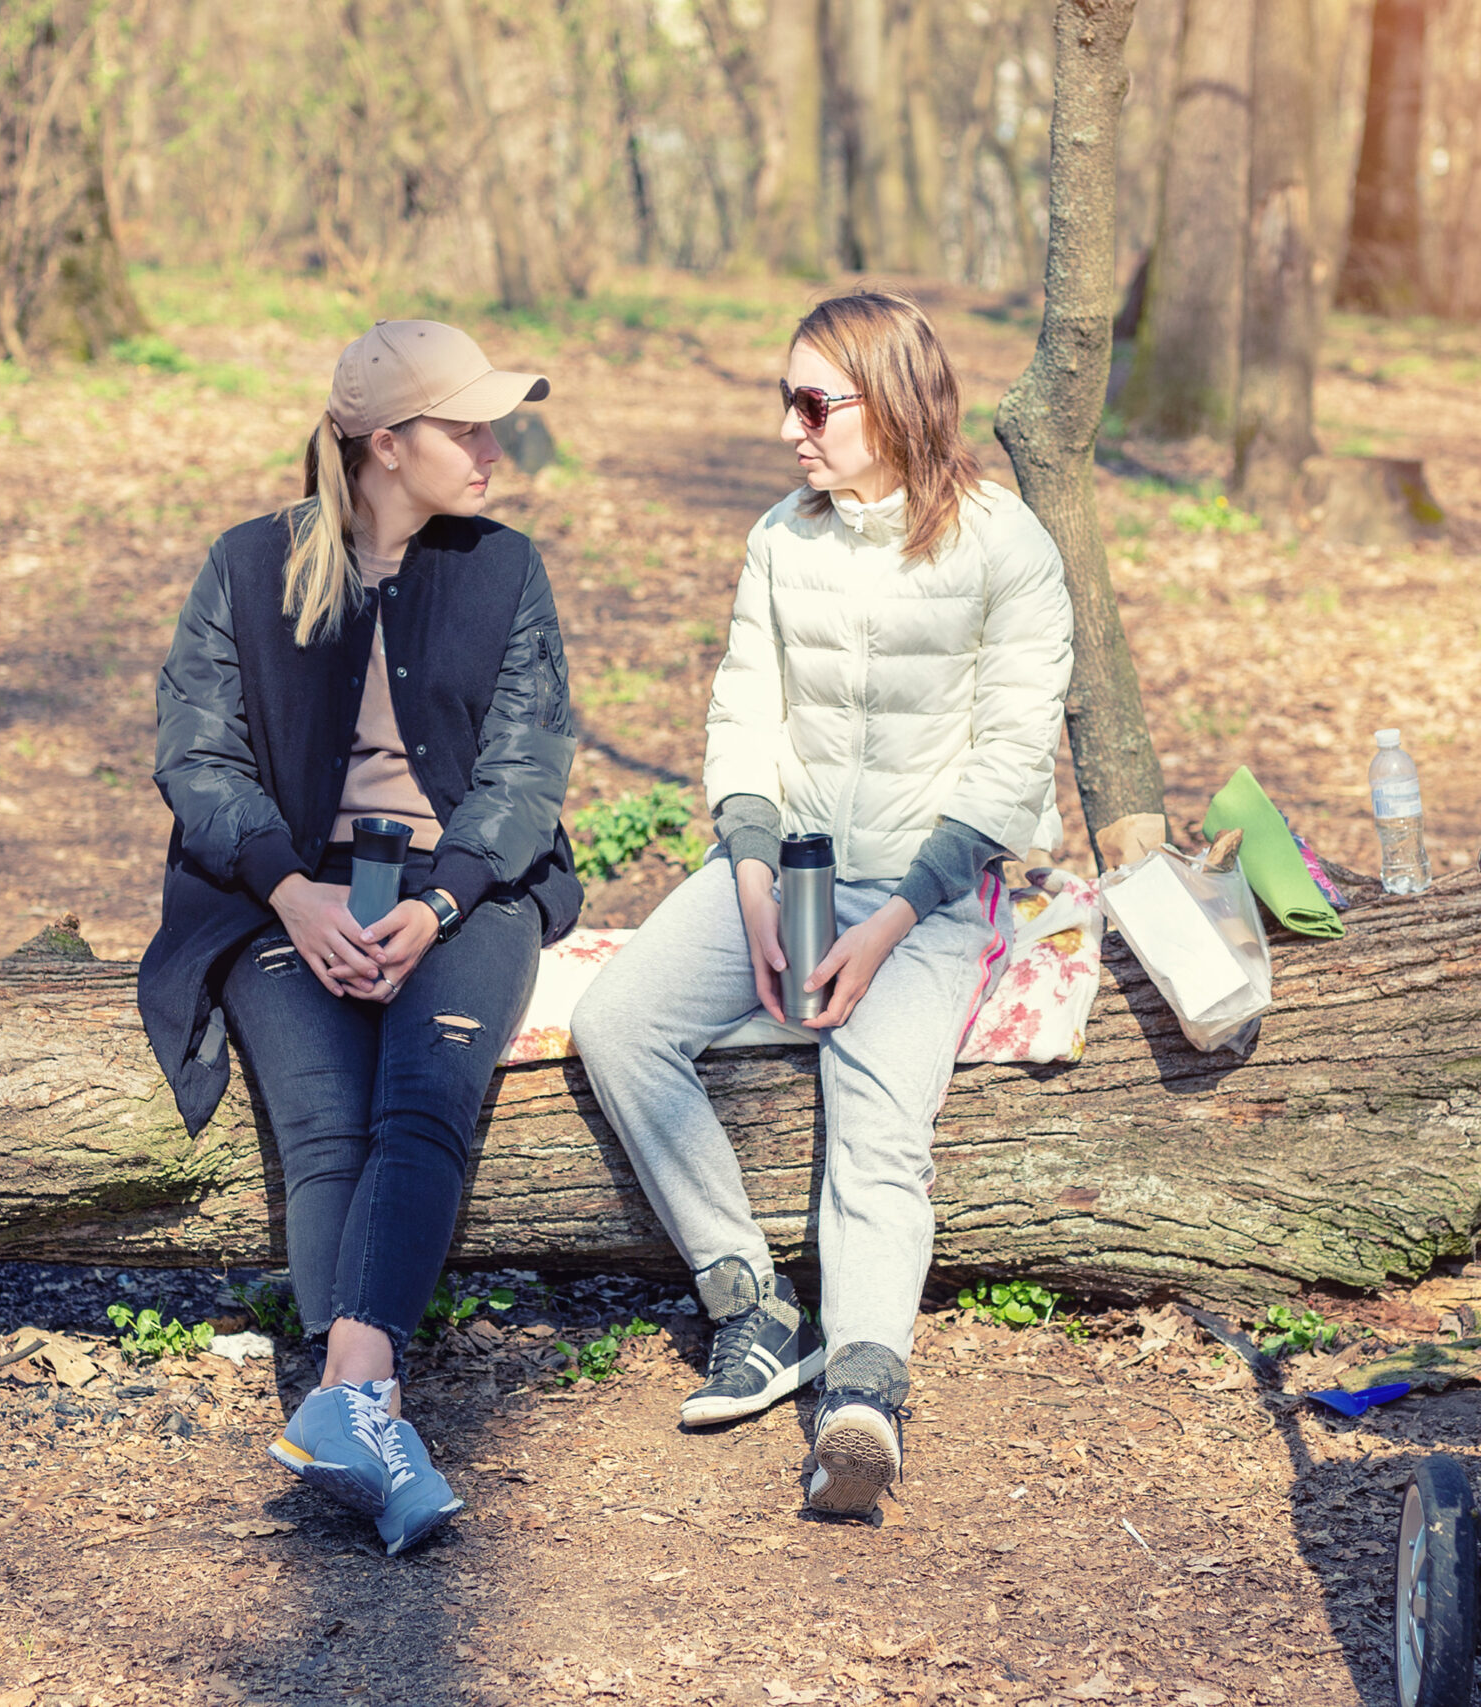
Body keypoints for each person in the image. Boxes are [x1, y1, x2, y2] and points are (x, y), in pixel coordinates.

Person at [570, 291, 1072, 1516]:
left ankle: (863, 1391)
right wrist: (747, 885)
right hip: (782, 867)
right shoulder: (780, 540)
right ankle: (748, 1300)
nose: (789, 429)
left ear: (892, 403)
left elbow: (1010, 765)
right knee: (617, 1022)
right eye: (782, 401)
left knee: (874, 1100)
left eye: (813, 403)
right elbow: (742, 722)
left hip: (929, 888)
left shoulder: (1007, 547)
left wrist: (894, 919)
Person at [136, 320, 581, 1555]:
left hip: (467, 891)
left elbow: (525, 768)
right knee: (324, 1118)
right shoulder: (247, 567)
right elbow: (199, 756)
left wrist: (437, 902)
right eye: (467, 426)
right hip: (282, 895)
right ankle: (364, 1409)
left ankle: (352, 1394)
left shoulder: (505, 571)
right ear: (387, 445)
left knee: (427, 1093)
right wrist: (290, 891)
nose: (495, 447)